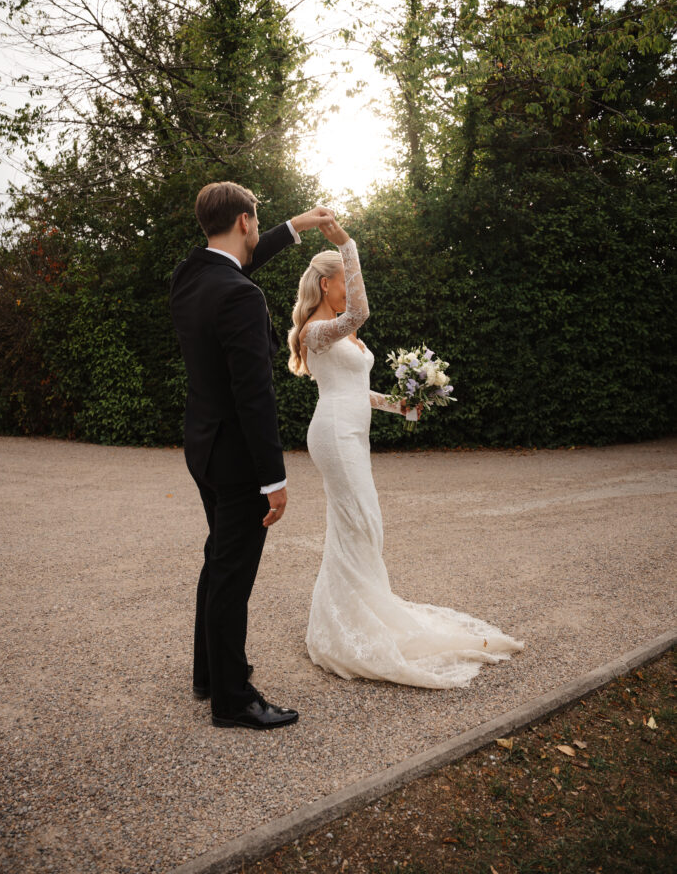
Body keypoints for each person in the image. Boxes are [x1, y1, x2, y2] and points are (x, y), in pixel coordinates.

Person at [287, 218, 524, 688]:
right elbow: (359, 314)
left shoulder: (340, 334)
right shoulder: (318, 331)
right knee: (360, 521)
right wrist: (349, 245)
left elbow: (357, 387)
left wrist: (400, 405)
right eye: (344, 280)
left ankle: (352, 614)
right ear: (327, 282)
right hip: (333, 433)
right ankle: (346, 628)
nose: (348, 290)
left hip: (353, 429)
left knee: (361, 524)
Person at [170, 180, 334, 729]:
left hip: (203, 446)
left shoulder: (191, 275)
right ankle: (233, 699)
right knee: (233, 574)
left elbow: (237, 262)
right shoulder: (241, 295)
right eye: (257, 222)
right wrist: (274, 478)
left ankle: (208, 673)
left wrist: (296, 225)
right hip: (239, 460)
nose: (258, 231)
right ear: (243, 222)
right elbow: (254, 395)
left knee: (218, 558)